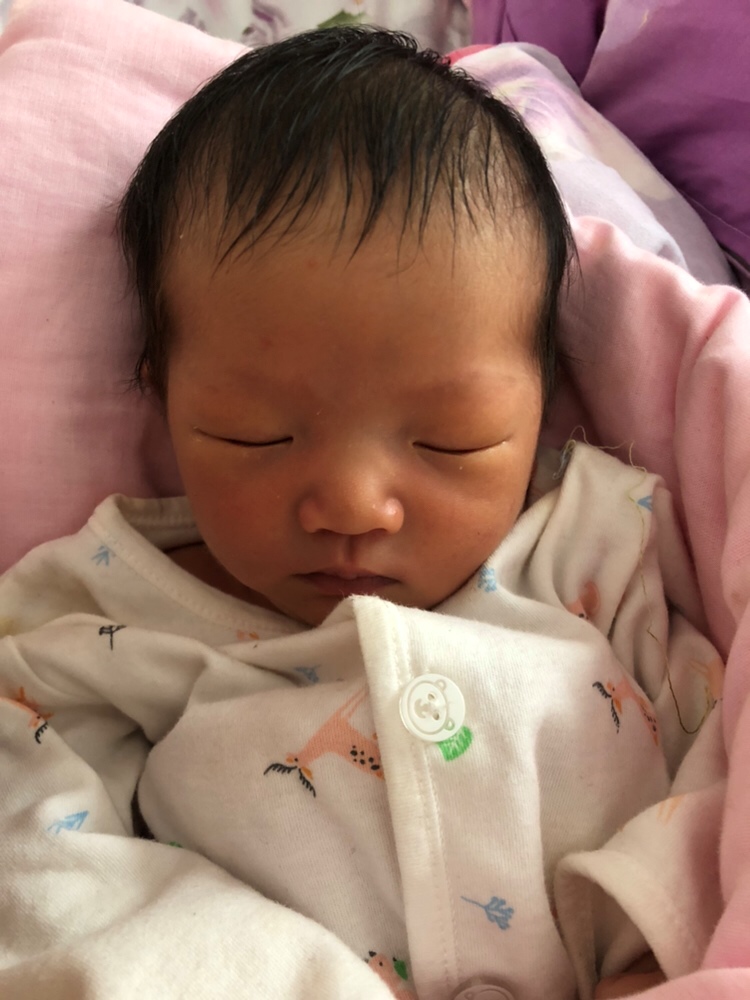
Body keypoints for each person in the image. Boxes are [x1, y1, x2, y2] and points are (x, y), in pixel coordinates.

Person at [0, 27, 724, 1000]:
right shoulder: (100, 616)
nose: (351, 505)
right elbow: (33, 845)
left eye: (451, 440)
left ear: (543, 402)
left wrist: (653, 934)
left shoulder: (593, 544)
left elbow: (716, 744)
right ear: (162, 396)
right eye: (255, 434)